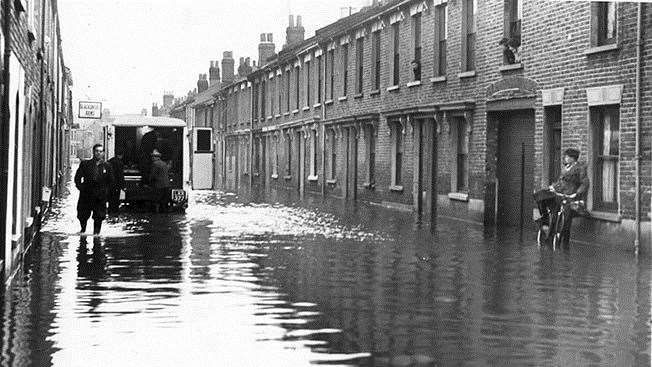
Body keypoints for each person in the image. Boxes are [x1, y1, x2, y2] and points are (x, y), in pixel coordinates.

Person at [534, 148, 589, 231]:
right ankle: (545, 219)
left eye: (567, 157)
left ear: (572, 158)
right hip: (559, 192)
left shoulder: (580, 168)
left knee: (564, 219)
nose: (565, 158)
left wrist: (577, 193)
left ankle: (558, 236)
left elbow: (584, 183)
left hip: (569, 195)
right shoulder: (566, 167)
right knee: (540, 195)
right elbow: (560, 181)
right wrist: (553, 187)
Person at [75, 143, 114, 235]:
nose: (98, 153)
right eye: (97, 151)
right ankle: (83, 230)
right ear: (93, 152)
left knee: (99, 216)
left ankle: (96, 233)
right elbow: (77, 178)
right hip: (87, 195)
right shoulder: (85, 164)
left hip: (100, 196)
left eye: (100, 151)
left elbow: (111, 181)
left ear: (103, 153)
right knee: (82, 214)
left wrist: (106, 192)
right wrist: (81, 188)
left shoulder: (107, 166)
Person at [149, 149, 170, 213]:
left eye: (153, 156)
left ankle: (157, 213)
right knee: (164, 201)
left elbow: (153, 175)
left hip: (159, 185)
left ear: (155, 157)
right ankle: (164, 213)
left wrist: (149, 182)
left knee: (157, 200)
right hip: (166, 185)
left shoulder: (155, 164)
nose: (152, 158)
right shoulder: (164, 163)